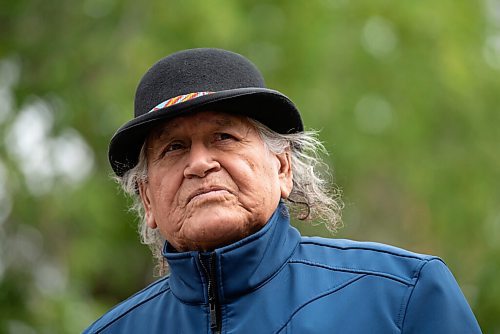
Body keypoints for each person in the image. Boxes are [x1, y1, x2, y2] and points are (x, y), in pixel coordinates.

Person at [83, 48, 482, 333]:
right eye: (174, 148)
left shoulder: (402, 296)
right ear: (148, 198)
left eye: (223, 136)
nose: (200, 163)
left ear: (282, 167)